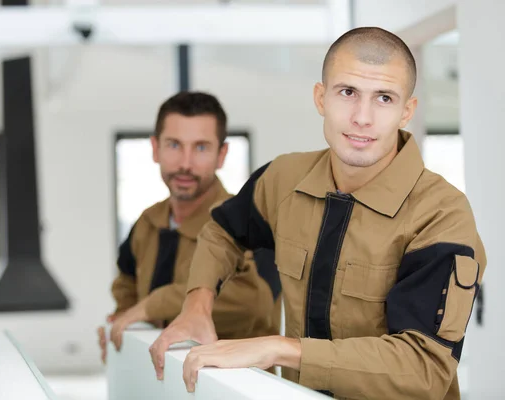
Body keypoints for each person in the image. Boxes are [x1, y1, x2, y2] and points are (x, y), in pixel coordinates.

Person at [148, 27, 486, 400]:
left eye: (384, 98)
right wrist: (198, 303)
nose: (362, 117)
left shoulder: (441, 213)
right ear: (320, 98)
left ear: (407, 111)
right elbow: (222, 232)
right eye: (347, 92)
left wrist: (277, 348)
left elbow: (424, 368)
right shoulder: (283, 178)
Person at [97, 91, 281, 363]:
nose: (185, 163)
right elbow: (126, 282)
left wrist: (155, 304)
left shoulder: (252, 223)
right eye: (173, 145)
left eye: (201, 147)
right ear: (155, 148)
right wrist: (124, 324)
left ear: (222, 154)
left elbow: (255, 302)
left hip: (229, 387)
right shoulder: (147, 221)